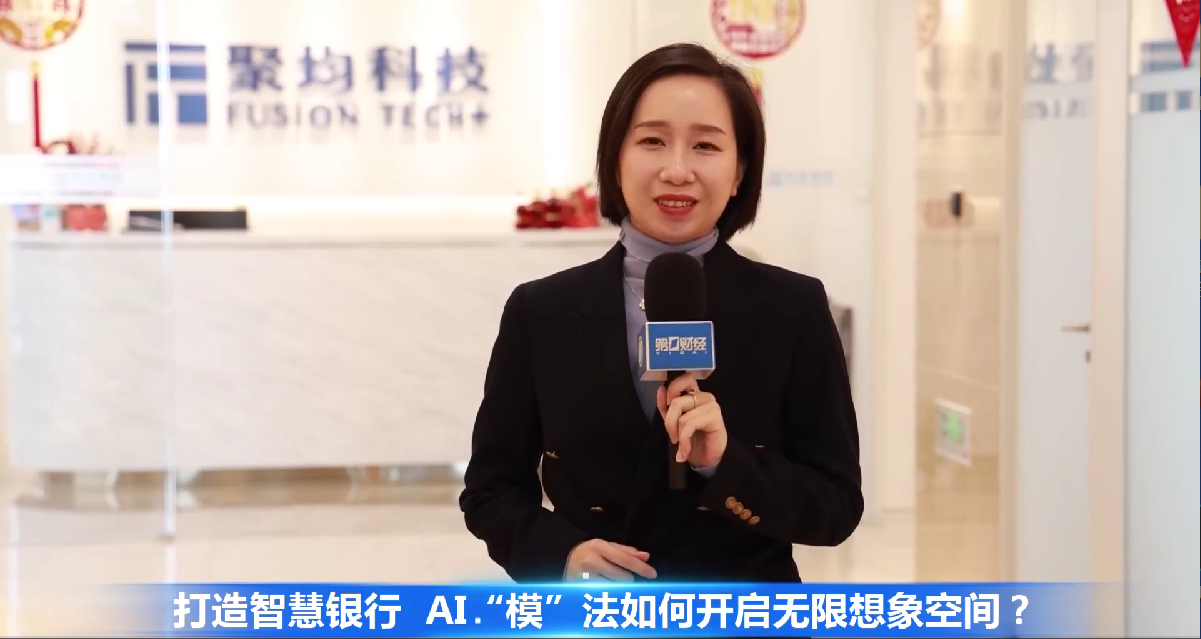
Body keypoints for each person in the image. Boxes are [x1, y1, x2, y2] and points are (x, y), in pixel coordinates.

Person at [459, 42, 862, 583]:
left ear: (740, 171)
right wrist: (561, 555)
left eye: (705, 146)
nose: (677, 170)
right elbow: (490, 491)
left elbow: (835, 507)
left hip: (746, 613)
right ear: (615, 160)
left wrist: (724, 464)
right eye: (652, 141)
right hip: (599, 612)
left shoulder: (793, 309)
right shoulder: (541, 311)